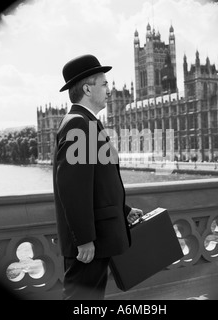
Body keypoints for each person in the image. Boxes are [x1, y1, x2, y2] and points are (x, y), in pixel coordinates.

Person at [53, 54, 143, 300]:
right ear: (87, 88)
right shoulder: (78, 125)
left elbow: (96, 182)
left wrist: (123, 210)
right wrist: (84, 239)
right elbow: (72, 189)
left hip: (98, 237)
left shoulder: (88, 122)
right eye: (104, 84)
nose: (109, 91)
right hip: (88, 243)